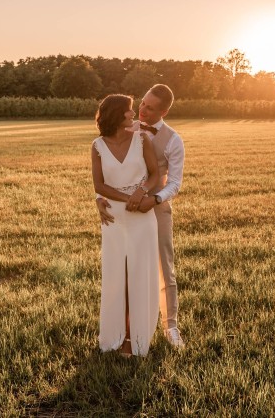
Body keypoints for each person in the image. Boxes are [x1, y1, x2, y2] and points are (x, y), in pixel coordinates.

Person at [96, 84, 185, 348]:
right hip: (124, 210)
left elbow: (175, 183)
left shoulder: (173, 140)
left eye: (150, 108)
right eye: (142, 104)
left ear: (164, 111)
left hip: (156, 207)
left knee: (164, 267)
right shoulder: (127, 129)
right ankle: (125, 328)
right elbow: (109, 171)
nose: (142, 111)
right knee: (125, 268)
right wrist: (98, 198)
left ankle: (170, 327)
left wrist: (154, 199)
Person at [91, 94, 160, 357]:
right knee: (116, 277)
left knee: (138, 275)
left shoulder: (141, 139)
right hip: (114, 218)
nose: (134, 114)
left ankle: (135, 337)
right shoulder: (97, 145)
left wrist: (140, 193)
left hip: (142, 216)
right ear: (118, 115)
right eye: (130, 111)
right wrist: (126, 198)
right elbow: (99, 185)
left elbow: (154, 174)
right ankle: (114, 336)